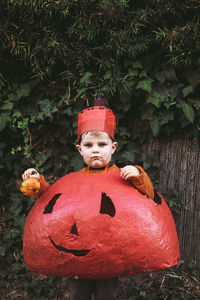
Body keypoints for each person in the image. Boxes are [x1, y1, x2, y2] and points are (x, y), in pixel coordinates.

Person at [21, 98, 154, 300]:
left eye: (102, 144)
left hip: (110, 254)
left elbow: (148, 196)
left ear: (113, 147)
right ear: (80, 149)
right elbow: (52, 197)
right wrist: (37, 180)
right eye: (89, 145)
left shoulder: (124, 176)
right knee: (78, 295)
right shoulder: (74, 180)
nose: (95, 149)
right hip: (78, 257)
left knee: (106, 295)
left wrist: (138, 174)